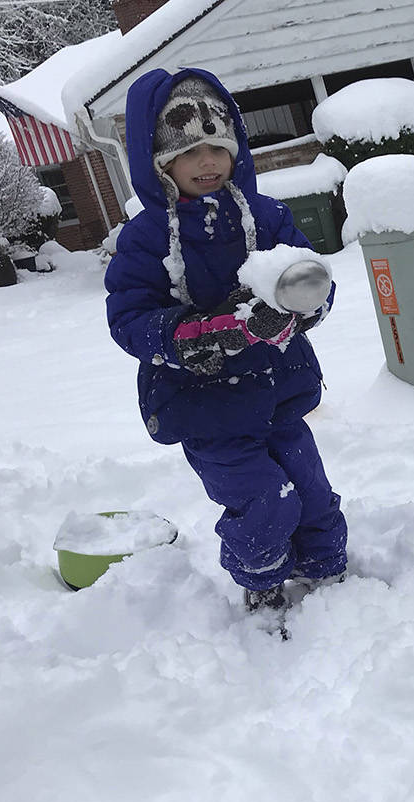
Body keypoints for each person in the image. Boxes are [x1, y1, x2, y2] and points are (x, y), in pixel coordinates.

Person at [105, 68, 348, 624]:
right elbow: (129, 318)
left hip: (279, 394)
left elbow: (312, 277)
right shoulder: (145, 238)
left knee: (311, 490)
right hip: (206, 409)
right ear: (160, 164)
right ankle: (262, 587)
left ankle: (329, 571)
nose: (208, 161)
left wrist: (306, 304)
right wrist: (203, 333)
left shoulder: (266, 217)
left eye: (218, 146)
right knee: (264, 500)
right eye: (190, 153)